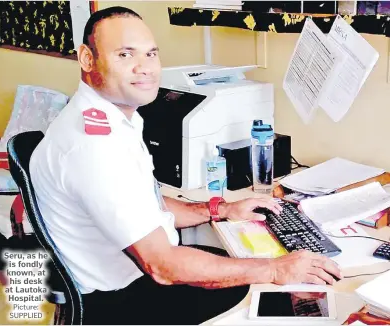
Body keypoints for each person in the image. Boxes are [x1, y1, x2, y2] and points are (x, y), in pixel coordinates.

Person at [28, 6, 341, 325]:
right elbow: (164, 267)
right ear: (87, 58)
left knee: (246, 266)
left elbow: (140, 202)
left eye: (151, 54)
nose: (145, 68)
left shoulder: (113, 117)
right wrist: (276, 269)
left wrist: (219, 210)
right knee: (275, 291)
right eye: (125, 55)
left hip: (130, 279)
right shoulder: (93, 146)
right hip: (121, 304)